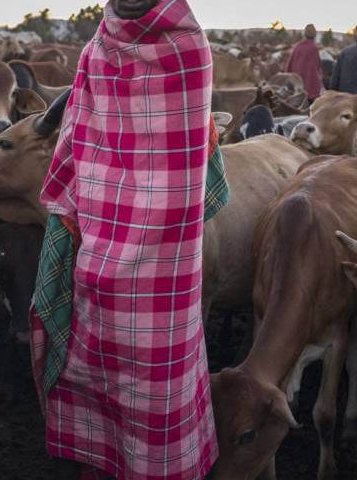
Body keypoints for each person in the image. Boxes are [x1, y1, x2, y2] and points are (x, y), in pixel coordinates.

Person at [29, 0, 229, 478]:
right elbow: (82, 139)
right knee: (102, 378)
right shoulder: (96, 52)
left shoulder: (188, 49)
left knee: (152, 386)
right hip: (102, 260)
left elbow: (180, 155)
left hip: (162, 273)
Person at [286, 24, 325, 100]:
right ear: (314, 35)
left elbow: (289, 66)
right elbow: (316, 69)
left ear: (305, 34)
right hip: (309, 89)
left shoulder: (298, 46)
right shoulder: (313, 48)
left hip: (296, 86)